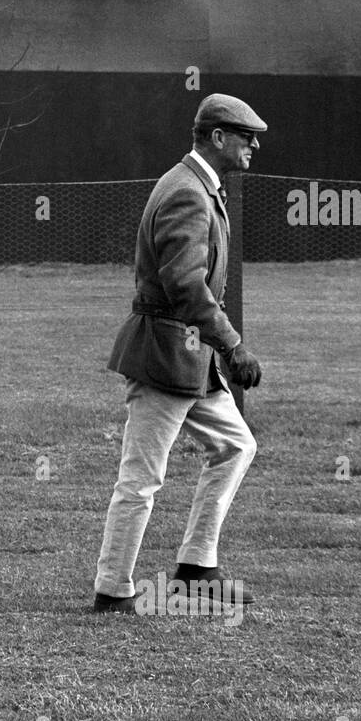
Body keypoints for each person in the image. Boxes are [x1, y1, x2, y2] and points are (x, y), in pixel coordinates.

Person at [92, 93, 266, 614]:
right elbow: (186, 284)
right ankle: (112, 589)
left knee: (237, 447)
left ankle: (196, 570)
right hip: (166, 357)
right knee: (141, 479)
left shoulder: (196, 186)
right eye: (245, 136)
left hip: (190, 361)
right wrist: (232, 345)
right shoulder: (188, 192)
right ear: (218, 138)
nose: (253, 145)